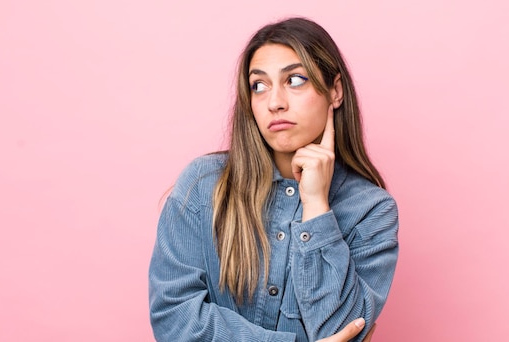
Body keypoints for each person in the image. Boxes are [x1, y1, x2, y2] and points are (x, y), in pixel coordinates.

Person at [149, 17, 399, 342]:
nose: (275, 102)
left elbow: (343, 332)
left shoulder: (372, 211)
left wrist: (317, 208)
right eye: (259, 85)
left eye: (295, 80)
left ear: (335, 91)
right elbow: (173, 317)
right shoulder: (203, 185)